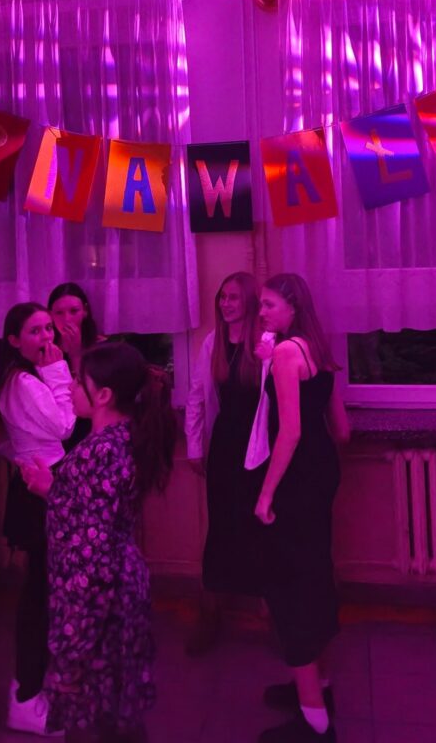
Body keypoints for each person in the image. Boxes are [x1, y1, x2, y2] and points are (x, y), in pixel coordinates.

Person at [21, 341, 176, 743]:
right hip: (121, 590)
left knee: (94, 719)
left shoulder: (99, 453)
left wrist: (72, 651)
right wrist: (54, 489)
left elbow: (92, 559)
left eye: (78, 381)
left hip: (99, 605)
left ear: (104, 395)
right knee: (117, 711)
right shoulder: (123, 437)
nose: (71, 388)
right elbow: (95, 513)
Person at [253, 273, 350, 743]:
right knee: (314, 574)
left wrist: (266, 493)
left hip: (295, 477)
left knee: (290, 587)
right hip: (321, 470)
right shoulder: (318, 349)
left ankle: (314, 723)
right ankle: (318, 687)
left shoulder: (288, 353)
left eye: (269, 305)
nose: (261, 313)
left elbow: (288, 431)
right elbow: (342, 430)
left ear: (292, 307)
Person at [0, 302, 76, 737]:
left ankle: (33, 688)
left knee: (43, 587)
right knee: (40, 593)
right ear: (14, 340)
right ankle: (26, 695)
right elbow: (65, 426)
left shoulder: (10, 379)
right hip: (43, 487)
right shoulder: (29, 381)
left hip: (33, 481)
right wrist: (59, 373)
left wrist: (13, 452)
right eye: (35, 331)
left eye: (49, 329)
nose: (47, 337)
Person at [184, 271, 266, 654]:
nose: (226, 304)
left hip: (259, 448)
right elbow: (197, 396)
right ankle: (210, 612)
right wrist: (194, 446)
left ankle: (271, 611)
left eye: (234, 297)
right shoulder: (213, 342)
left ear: (250, 300)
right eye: (222, 297)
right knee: (220, 527)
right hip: (225, 446)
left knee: (261, 527)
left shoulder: (264, 343)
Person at [48, 283, 107, 446]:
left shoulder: (101, 348)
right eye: (59, 313)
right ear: (50, 315)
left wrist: (75, 353)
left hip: (88, 422)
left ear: (85, 311)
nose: (67, 319)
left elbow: (92, 395)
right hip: (56, 423)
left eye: (74, 311)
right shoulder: (48, 350)